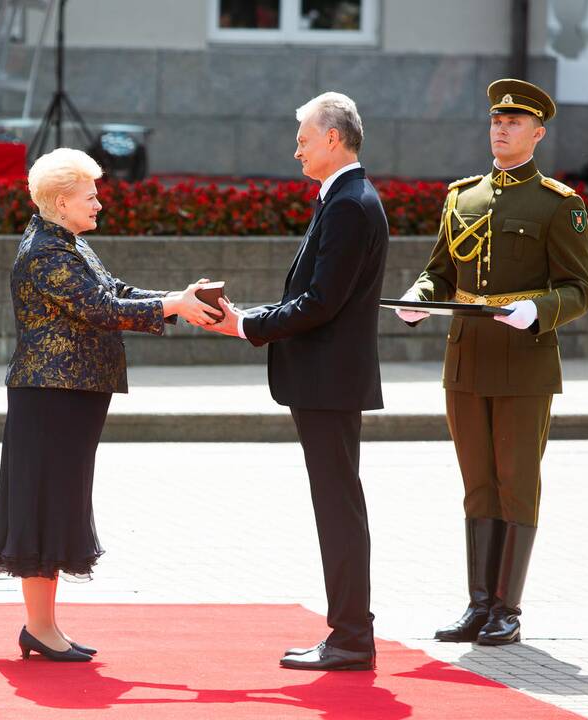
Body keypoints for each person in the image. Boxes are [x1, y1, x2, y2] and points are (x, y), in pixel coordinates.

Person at [0, 148, 217, 662]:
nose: (99, 203)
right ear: (61, 201)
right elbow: (99, 308)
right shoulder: (48, 251)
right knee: (43, 505)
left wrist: (178, 300)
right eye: (91, 195)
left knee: (54, 503)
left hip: (68, 395)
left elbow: (116, 291)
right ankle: (40, 629)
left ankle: (43, 627)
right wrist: (171, 305)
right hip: (51, 397)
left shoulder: (66, 243)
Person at [394, 79, 588, 646]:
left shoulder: (559, 204)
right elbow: (440, 272)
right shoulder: (463, 197)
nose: (501, 129)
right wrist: (419, 296)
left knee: (516, 482)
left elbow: (580, 290)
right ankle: (478, 604)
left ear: (537, 133)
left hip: (524, 361)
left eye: (514, 123)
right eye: (495, 121)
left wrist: (538, 309)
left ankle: (508, 607)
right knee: (477, 483)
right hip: (466, 360)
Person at [203, 92, 388, 671]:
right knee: (338, 504)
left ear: (334, 139)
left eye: (305, 138)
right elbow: (315, 299)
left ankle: (352, 636)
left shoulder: (351, 204)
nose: (296, 149)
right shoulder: (342, 199)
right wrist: (252, 319)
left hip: (328, 383)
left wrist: (246, 325)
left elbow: (319, 303)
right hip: (326, 381)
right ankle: (350, 631)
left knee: (338, 507)